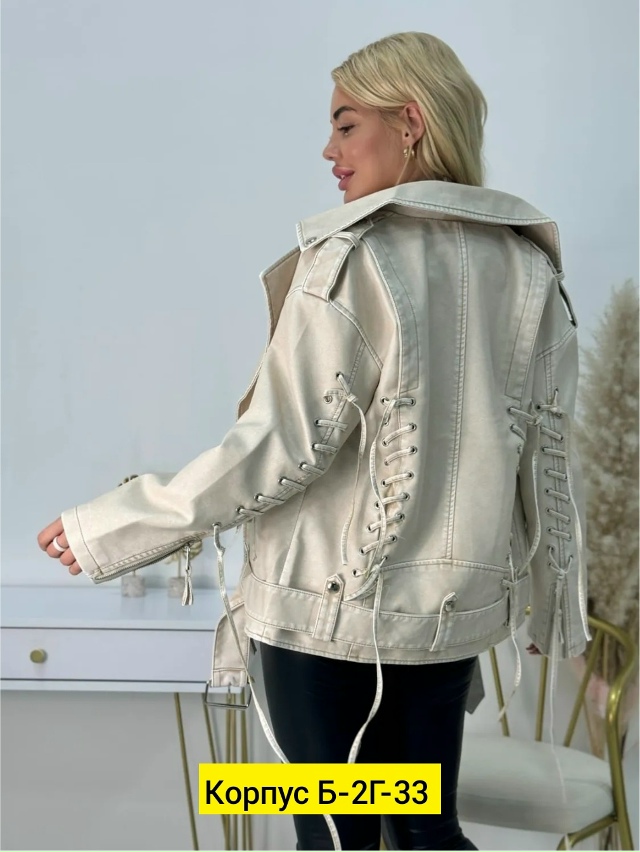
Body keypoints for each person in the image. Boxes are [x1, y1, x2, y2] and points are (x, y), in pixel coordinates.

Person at [38, 31, 590, 851]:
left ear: (411, 121)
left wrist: (115, 526)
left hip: (323, 618)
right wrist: (555, 608)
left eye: (345, 124)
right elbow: (548, 462)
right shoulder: (530, 269)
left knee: (336, 837)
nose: (329, 151)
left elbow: (279, 449)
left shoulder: (351, 258)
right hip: (449, 618)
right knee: (426, 829)